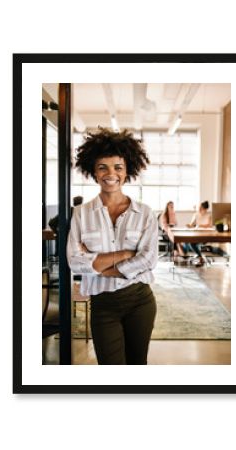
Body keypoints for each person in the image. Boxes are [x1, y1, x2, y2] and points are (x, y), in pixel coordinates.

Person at [67, 128, 158, 365]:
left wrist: (98, 264)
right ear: (94, 173)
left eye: (118, 167)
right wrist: (126, 253)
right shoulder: (80, 214)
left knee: (137, 365)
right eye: (102, 167)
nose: (111, 174)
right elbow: (75, 261)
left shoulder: (145, 213)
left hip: (140, 300)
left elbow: (149, 260)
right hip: (103, 304)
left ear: (127, 171)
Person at [182, 200, 212, 266]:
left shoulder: (208, 215)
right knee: (188, 241)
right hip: (196, 234)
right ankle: (198, 256)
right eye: (199, 208)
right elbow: (192, 224)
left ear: (205, 209)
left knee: (191, 243)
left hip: (205, 236)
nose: (200, 209)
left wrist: (200, 225)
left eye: (202, 208)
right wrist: (189, 225)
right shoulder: (196, 214)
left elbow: (209, 225)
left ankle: (200, 257)